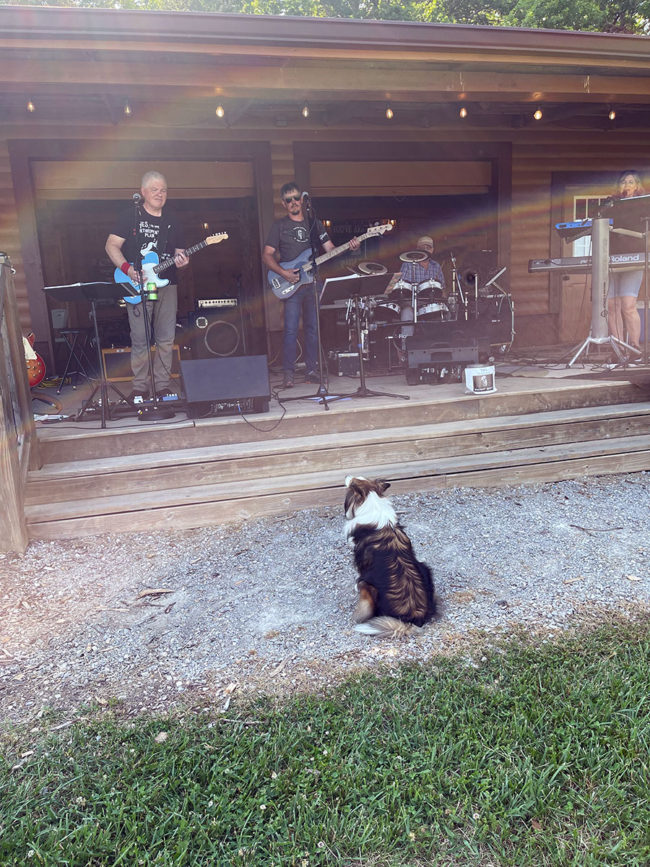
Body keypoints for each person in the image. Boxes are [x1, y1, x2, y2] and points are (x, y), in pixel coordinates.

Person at [262, 181, 359, 389]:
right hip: (292, 284)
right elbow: (267, 255)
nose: (293, 202)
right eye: (288, 200)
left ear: (302, 200)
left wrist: (350, 247)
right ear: (283, 203)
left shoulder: (314, 223)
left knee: (313, 328)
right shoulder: (279, 226)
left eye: (296, 198)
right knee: (290, 329)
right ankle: (288, 374)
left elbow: (330, 249)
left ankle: (312, 370)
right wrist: (284, 273)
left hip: (313, 283)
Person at [105, 171, 189, 401]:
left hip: (167, 284)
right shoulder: (129, 216)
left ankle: (162, 386)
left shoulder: (173, 220)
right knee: (140, 337)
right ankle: (140, 388)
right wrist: (127, 269)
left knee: (166, 337)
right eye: (154, 190)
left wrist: (183, 262)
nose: (160, 194)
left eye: (163, 190)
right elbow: (111, 245)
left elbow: (180, 253)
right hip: (137, 283)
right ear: (143, 192)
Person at [607, 170, 645, 353]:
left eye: (631, 182)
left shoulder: (643, 204)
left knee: (628, 305)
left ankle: (635, 348)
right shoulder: (611, 204)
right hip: (610, 258)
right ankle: (619, 348)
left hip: (633, 258)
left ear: (637, 186)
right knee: (611, 306)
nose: (627, 185)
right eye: (623, 181)